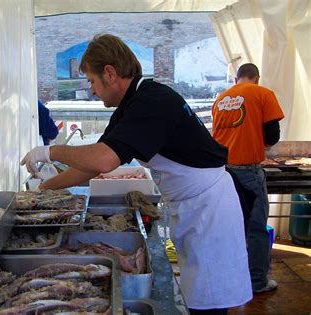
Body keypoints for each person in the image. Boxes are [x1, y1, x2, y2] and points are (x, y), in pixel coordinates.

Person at [22, 34, 252, 313]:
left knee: (210, 303)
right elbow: (91, 165)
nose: (92, 90)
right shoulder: (131, 105)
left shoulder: (152, 101)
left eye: (92, 81)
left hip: (209, 209)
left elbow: (104, 160)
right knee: (198, 296)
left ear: (110, 73)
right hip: (191, 205)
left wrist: (50, 152)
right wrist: (42, 192)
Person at [212, 63, 284, 293]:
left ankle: (227, 278)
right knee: (255, 229)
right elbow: (272, 135)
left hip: (222, 171)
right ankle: (256, 282)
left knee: (229, 227)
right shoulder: (263, 93)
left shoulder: (221, 99)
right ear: (257, 78)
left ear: (237, 79)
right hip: (248, 172)